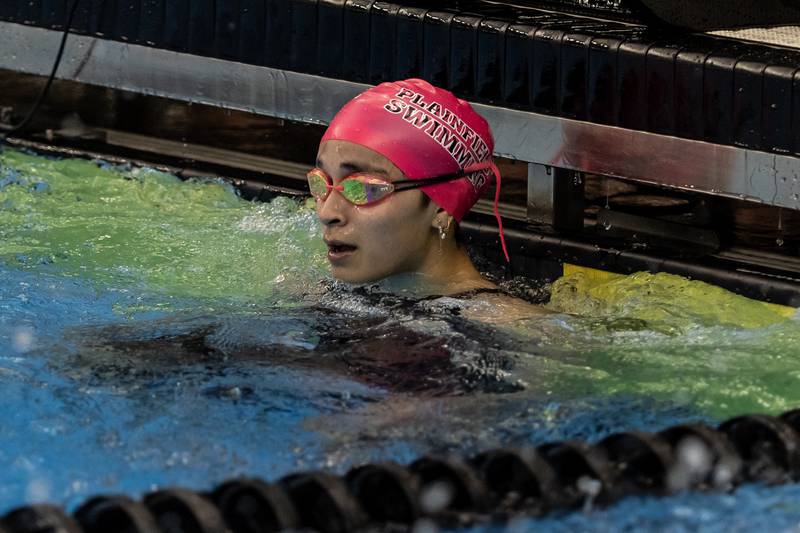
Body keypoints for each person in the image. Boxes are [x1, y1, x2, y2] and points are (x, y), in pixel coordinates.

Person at [309, 79, 546, 318]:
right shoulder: (322, 288)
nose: (327, 213)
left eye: (363, 188)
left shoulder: (511, 327)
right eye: (321, 182)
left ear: (442, 208)